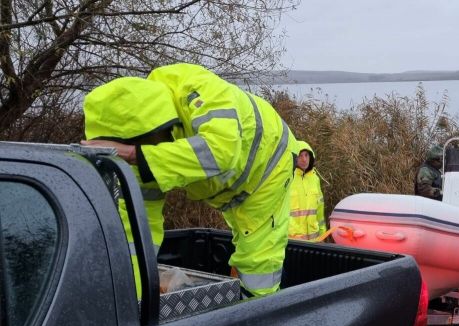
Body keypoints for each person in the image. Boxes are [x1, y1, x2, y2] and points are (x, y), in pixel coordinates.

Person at [82, 63, 296, 297]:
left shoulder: (199, 89)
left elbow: (221, 153)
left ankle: (261, 317)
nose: (147, 151)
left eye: (144, 146)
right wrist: (132, 300)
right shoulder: (141, 143)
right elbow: (135, 232)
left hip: (269, 168)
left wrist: (135, 153)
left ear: (158, 126)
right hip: (227, 188)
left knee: (258, 261)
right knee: (244, 248)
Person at [289, 140, 327, 242]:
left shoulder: (315, 179)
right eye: (300, 156)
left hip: (314, 241)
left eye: (306, 155)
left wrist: (323, 236)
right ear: (294, 157)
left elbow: (319, 210)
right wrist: (293, 232)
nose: (304, 159)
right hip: (292, 241)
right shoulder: (287, 177)